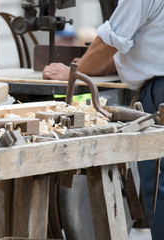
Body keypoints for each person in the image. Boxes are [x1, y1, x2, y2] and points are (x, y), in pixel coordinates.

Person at [42, 0, 164, 238]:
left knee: (161, 191)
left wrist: (73, 73)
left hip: (160, 93)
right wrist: (89, 65)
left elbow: (111, 40)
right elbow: (129, 48)